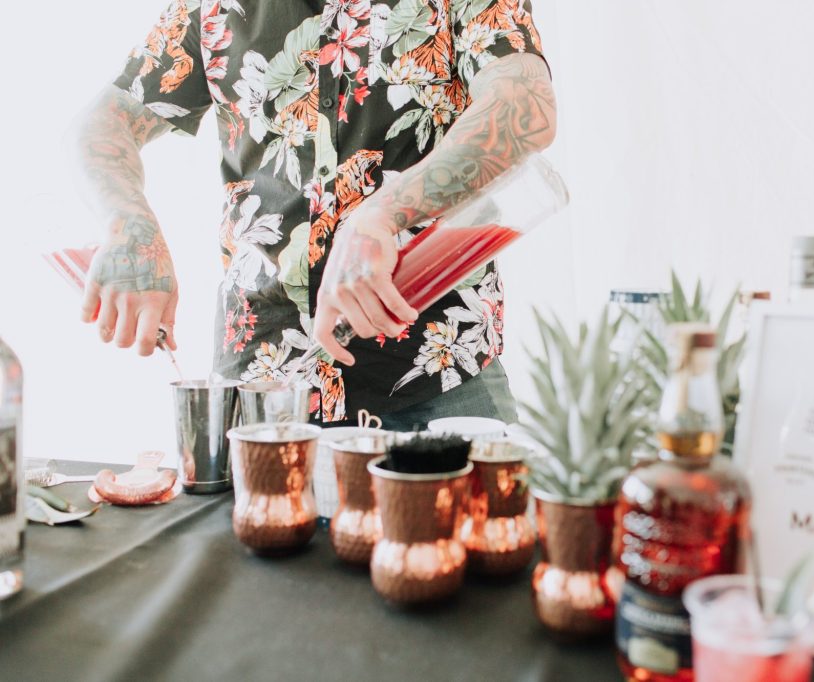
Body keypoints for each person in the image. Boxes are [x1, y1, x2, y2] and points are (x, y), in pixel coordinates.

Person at [75, 0, 556, 430]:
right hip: (263, 385)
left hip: (441, 373)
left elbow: (523, 106)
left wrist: (381, 216)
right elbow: (106, 121)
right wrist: (130, 226)